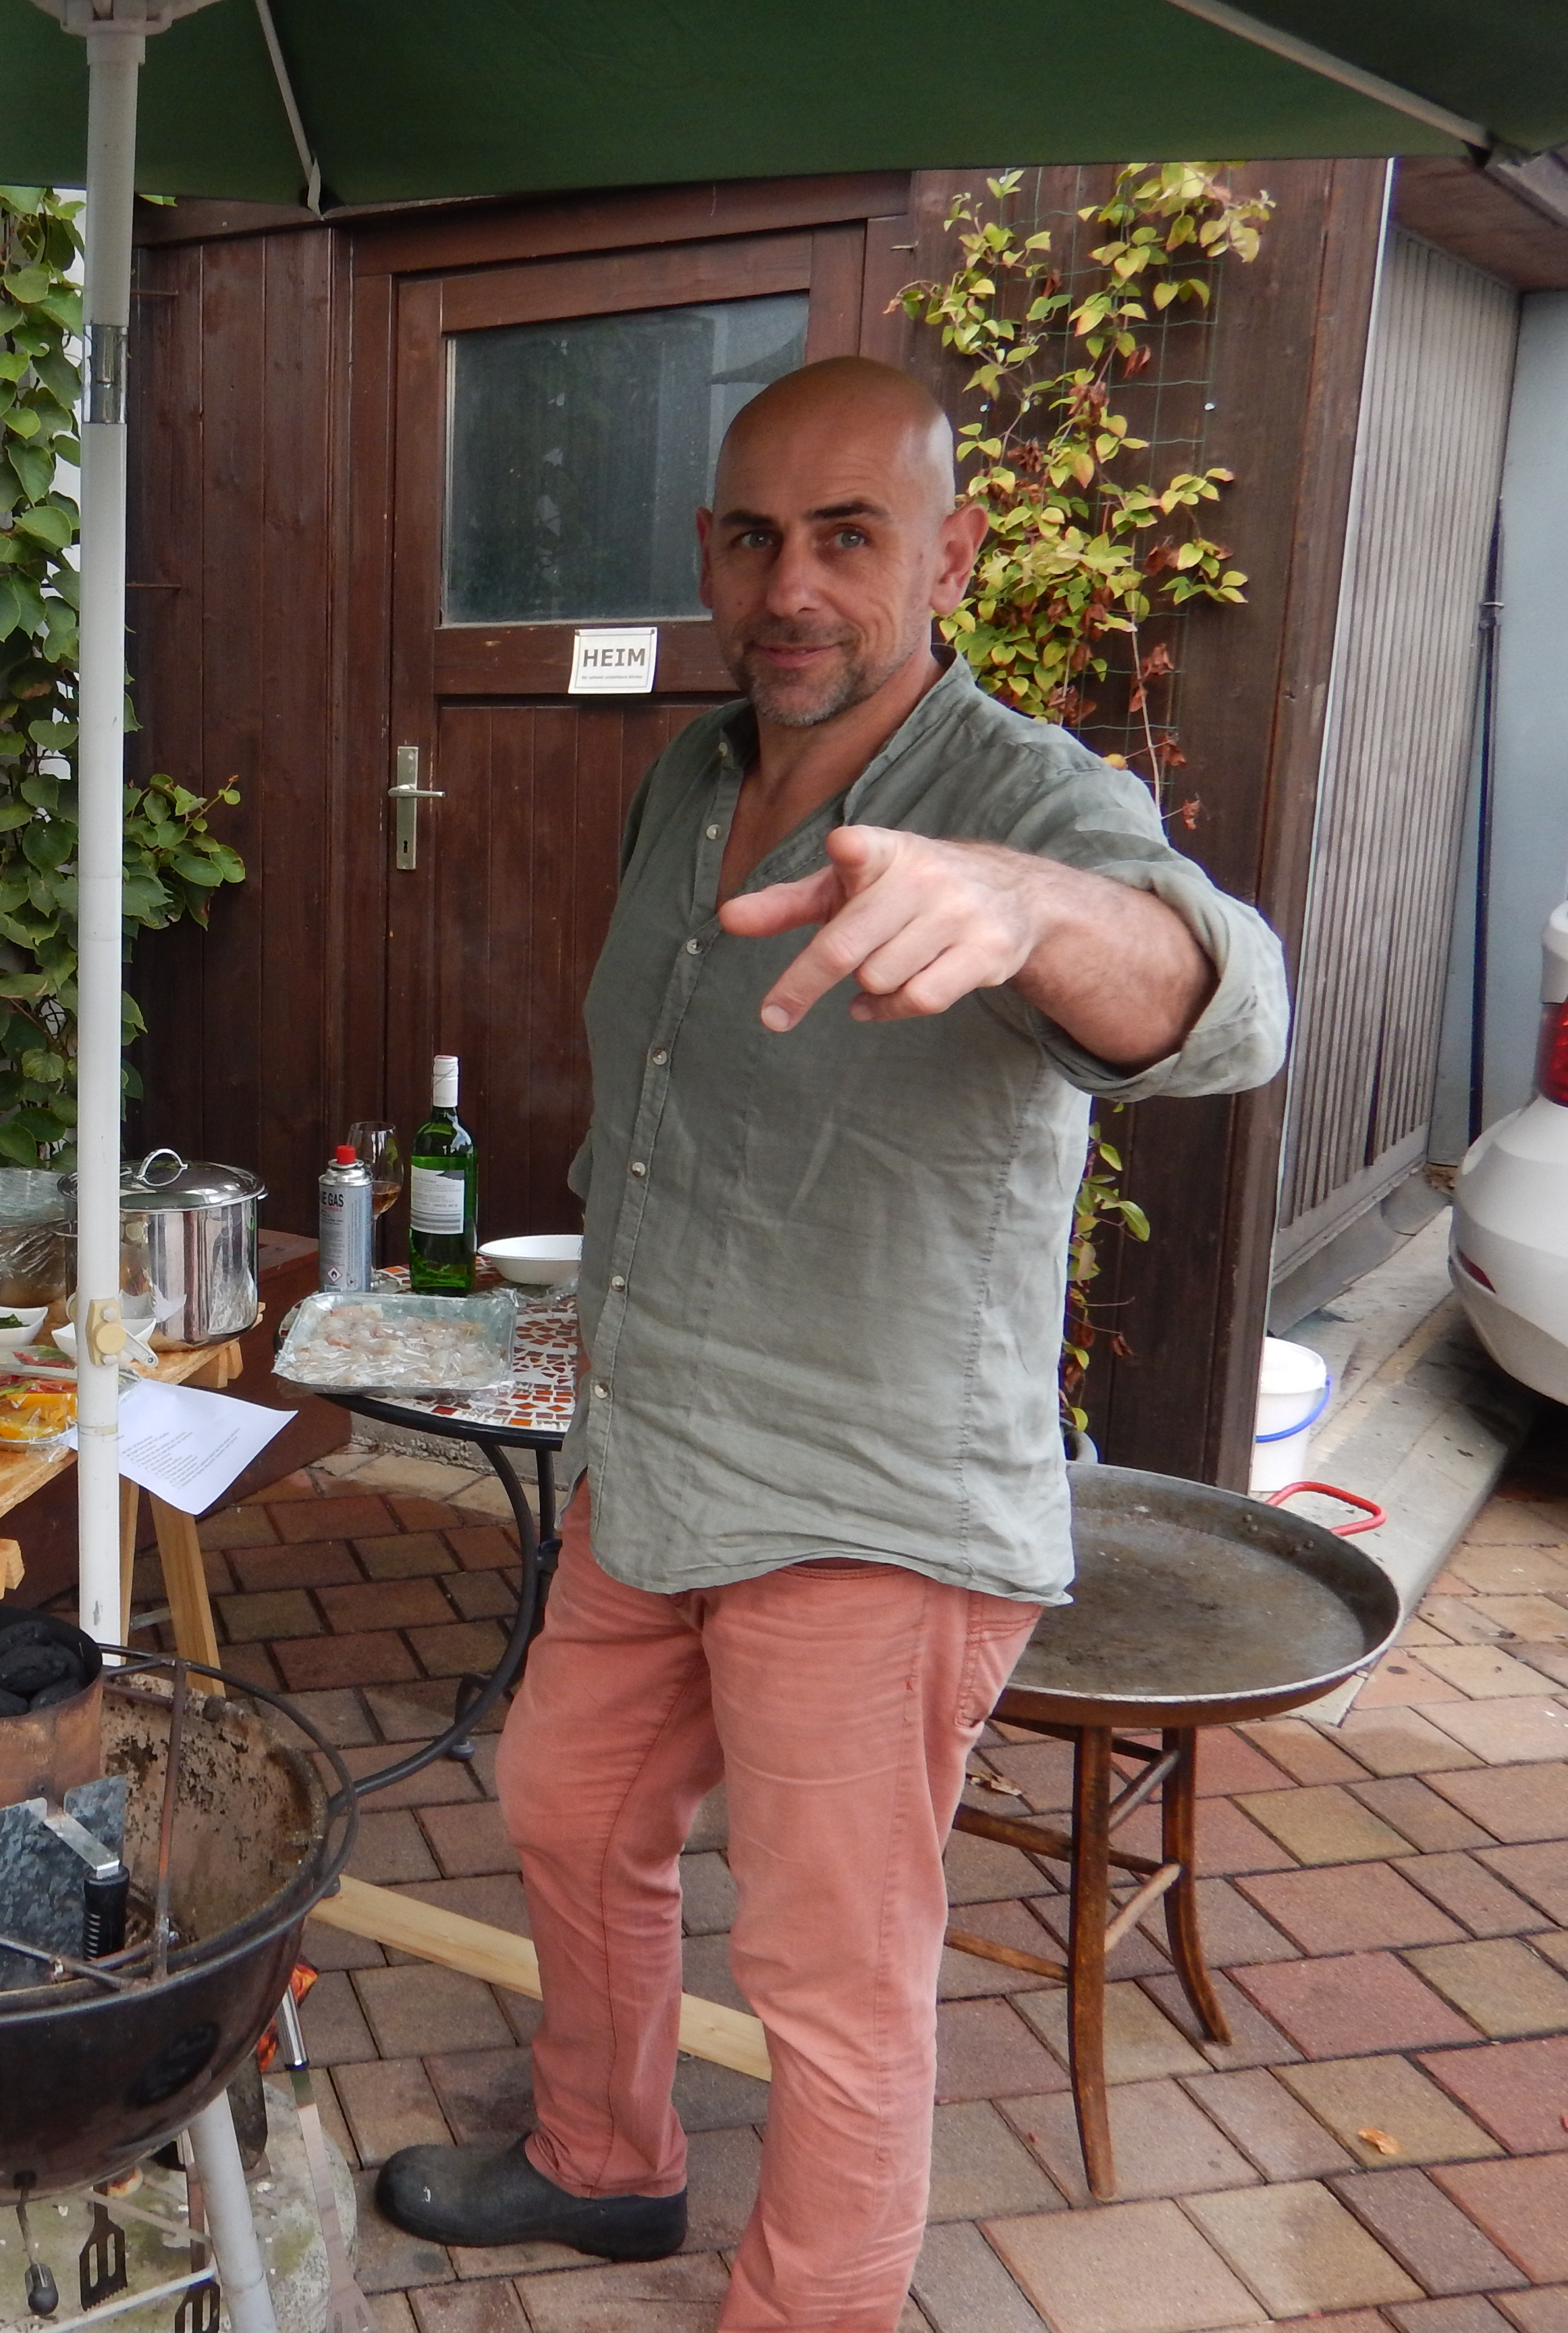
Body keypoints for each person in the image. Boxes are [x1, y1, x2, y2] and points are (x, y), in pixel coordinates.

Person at [374, 357, 1289, 2330]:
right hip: (662, 1450)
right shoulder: (693, 778)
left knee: (831, 1974)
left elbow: (1222, 1001)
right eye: (754, 538)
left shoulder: (1030, 802)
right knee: (569, 1807)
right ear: (710, 554)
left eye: (850, 538)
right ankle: (605, 2163)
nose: (791, 586)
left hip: (875, 1499)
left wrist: (1023, 904)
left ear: (949, 555)